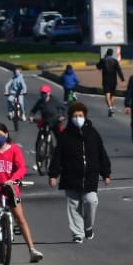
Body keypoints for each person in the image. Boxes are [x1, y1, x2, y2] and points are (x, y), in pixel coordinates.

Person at [0, 122, 44, 265]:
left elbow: (21, 168)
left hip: (11, 189)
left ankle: (32, 250)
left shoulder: (14, 150)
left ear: (6, 134)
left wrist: (12, 180)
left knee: (20, 217)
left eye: (1, 135)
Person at [47, 100, 111, 243]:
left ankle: (88, 227)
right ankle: (77, 233)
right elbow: (58, 156)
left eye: (80, 115)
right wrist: (53, 175)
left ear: (85, 116)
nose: (78, 118)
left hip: (90, 177)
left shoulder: (93, 134)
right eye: (75, 115)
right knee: (74, 205)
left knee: (91, 201)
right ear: (71, 117)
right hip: (71, 177)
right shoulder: (65, 136)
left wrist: (106, 173)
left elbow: (101, 154)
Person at [29, 83, 63, 150]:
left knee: (60, 138)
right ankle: (39, 155)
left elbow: (64, 108)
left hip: (55, 122)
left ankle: (59, 152)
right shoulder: (40, 102)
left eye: (44, 93)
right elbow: (33, 110)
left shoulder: (55, 101)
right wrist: (31, 116)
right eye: (42, 93)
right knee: (39, 140)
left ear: (49, 93)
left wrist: (63, 116)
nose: (43, 94)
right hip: (45, 121)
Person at [97, 48, 123, 117]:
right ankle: (112, 108)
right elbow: (119, 70)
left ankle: (110, 108)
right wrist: (122, 78)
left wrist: (101, 60)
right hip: (114, 80)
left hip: (106, 80)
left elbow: (98, 67)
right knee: (113, 95)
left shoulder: (103, 60)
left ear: (107, 53)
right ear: (112, 54)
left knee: (107, 95)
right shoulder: (115, 61)